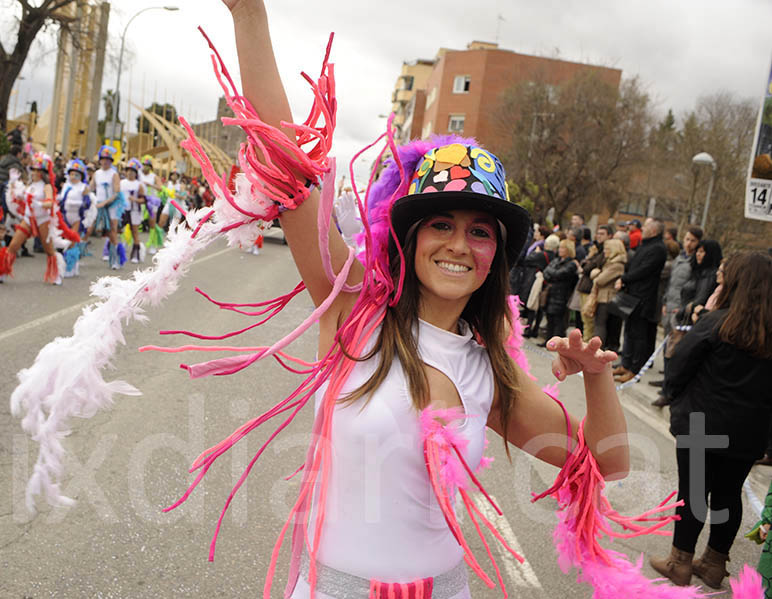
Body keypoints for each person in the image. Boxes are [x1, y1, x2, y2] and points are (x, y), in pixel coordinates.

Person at [207, 3, 629, 598]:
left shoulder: (491, 372)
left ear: (496, 257)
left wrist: (596, 379)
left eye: (480, 231)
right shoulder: (355, 313)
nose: (460, 245)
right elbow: (287, 164)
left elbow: (605, 463)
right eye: (441, 224)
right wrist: (250, 15)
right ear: (411, 237)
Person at [650, 251, 772, 588]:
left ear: (734, 283)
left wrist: (673, 395)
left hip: (703, 424)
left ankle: (680, 561)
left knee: (693, 492)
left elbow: (679, 366)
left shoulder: (716, 322)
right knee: (728, 495)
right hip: (749, 431)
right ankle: (715, 564)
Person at [0, 153, 66, 285]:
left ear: (43, 172)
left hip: (42, 219)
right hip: (28, 219)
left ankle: (56, 274)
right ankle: (2, 273)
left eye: (38, 170)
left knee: (48, 249)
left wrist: (40, 204)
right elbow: (17, 197)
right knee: (13, 245)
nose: (35, 172)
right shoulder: (30, 185)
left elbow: (50, 202)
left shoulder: (46, 186)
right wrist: (13, 182)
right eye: (33, 169)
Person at [613, 217, 666, 383]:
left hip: (643, 297)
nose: (643, 228)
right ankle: (626, 363)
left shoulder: (658, 248)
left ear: (654, 230)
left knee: (639, 335)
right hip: (633, 294)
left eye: (647, 226)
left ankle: (635, 369)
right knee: (629, 331)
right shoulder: (646, 244)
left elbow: (644, 270)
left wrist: (625, 278)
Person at [89, 145, 125, 269]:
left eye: (107, 159)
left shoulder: (114, 174)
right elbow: (91, 187)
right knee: (89, 228)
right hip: (99, 205)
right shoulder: (97, 174)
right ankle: (77, 257)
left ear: (111, 161)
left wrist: (105, 203)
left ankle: (115, 259)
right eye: (103, 159)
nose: (105, 161)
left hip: (111, 206)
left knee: (112, 231)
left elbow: (116, 192)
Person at [57, 158, 92, 277]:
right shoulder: (66, 185)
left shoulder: (84, 187)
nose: (73, 176)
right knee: (65, 241)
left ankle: (70, 267)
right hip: (65, 216)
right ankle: (71, 264)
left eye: (76, 174)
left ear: (81, 176)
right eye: (71, 174)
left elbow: (88, 204)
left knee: (72, 241)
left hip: (77, 217)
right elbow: (61, 199)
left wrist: (81, 204)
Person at [541, 238, 579, 345]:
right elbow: (546, 272)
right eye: (560, 247)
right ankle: (547, 341)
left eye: (563, 248)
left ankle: (556, 343)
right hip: (551, 293)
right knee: (549, 318)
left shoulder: (571, 264)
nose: (560, 250)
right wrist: (553, 274)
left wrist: (552, 274)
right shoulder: (556, 260)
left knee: (558, 320)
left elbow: (559, 274)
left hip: (562, 294)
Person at [120, 159, 146, 264]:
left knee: (134, 232)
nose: (130, 173)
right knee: (115, 230)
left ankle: (135, 254)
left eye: (132, 171)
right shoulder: (121, 183)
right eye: (128, 170)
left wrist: (135, 200)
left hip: (134, 211)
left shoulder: (138, 185)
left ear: (136, 173)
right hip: (122, 210)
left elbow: (143, 200)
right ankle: (111, 252)